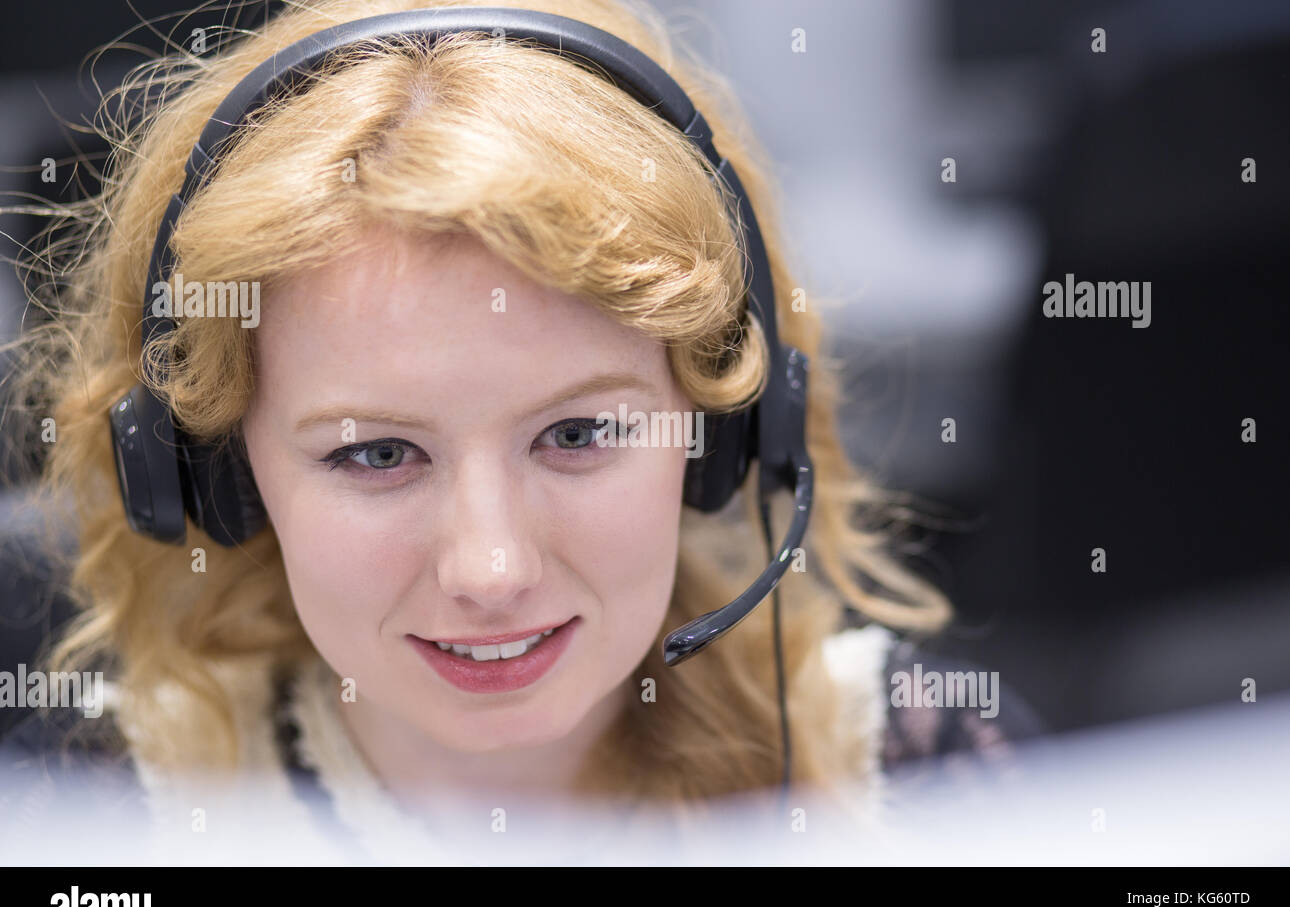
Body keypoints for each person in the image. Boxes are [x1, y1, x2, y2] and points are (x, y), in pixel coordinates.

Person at [0, 0, 1035, 862]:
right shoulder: (114, 812)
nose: (489, 568)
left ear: (718, 427)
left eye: (578, 433)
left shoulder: (905, 771)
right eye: (375, 453)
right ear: (214, 474)